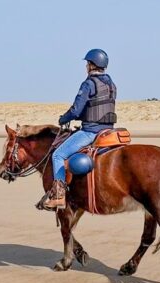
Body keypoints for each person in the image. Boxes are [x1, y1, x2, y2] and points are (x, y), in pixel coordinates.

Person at [43, 49, 118, 210]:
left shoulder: (88, 84)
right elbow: (96, 106)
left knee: (58, 155)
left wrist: (64, 118)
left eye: (87, 64)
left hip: (91, 132)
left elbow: (76, 110)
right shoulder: (111, 85)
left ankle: (59, 196)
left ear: (92, 65)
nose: (86, 67)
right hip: (109, 131)